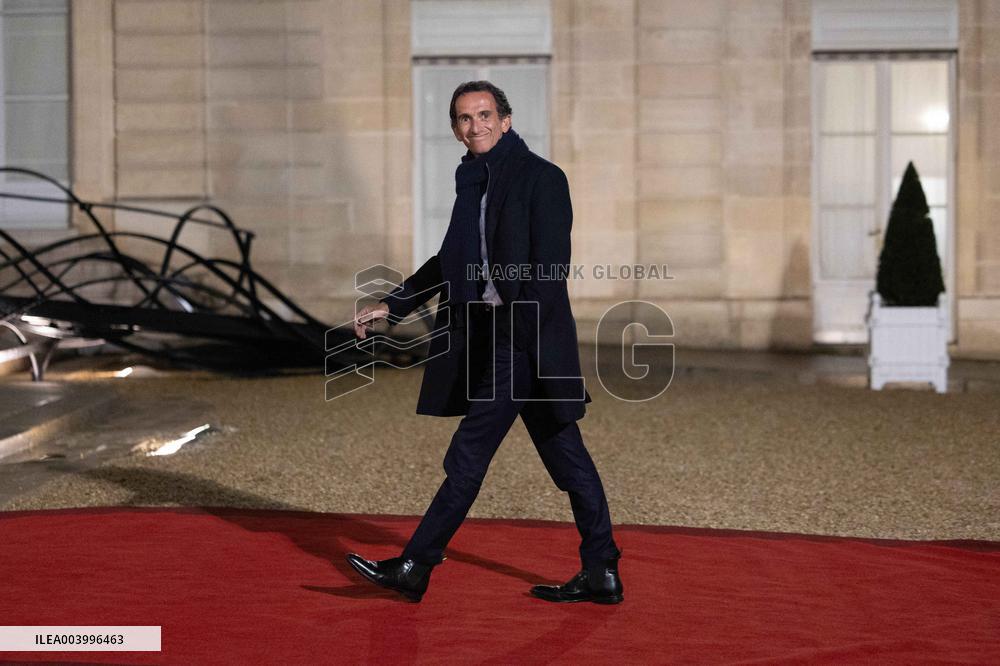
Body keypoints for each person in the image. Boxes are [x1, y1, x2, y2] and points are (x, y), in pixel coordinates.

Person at [346, 81, 622, 604]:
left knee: (468, 454)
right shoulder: (469, 179)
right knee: (569, 459)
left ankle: (415, 564)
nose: (476, 126)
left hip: (524, 341)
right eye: (464, 118)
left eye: (485, 114)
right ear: (455, 128)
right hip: (493, 337)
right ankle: (601, 569)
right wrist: (396, 303)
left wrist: (518, 341)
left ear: (507, 119)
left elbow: (549, 271)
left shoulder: (543, 178)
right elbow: (449, 259)